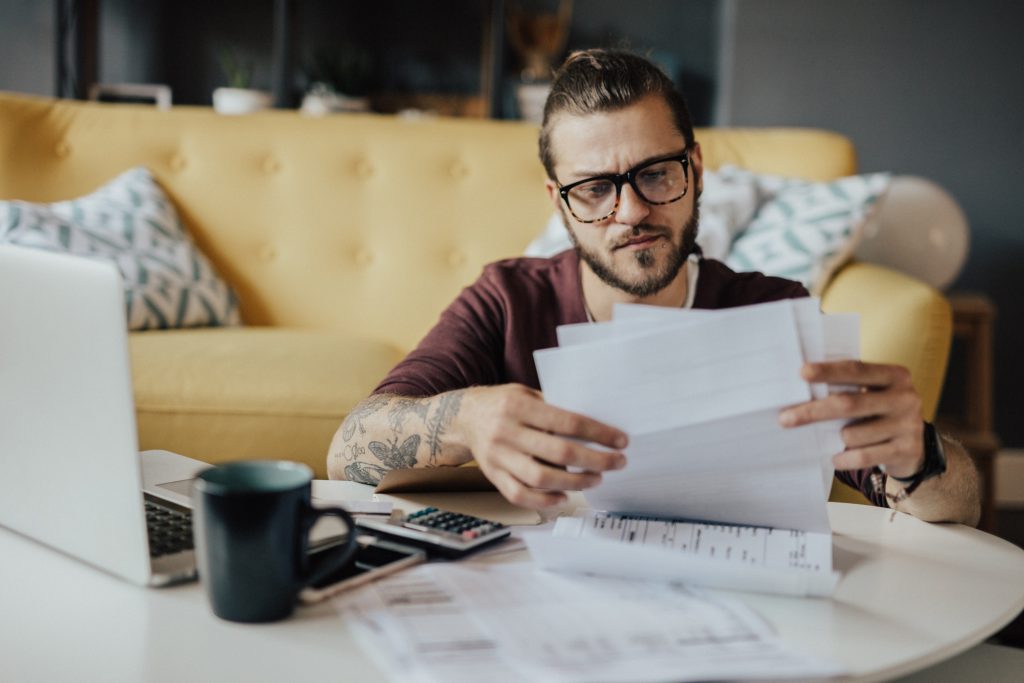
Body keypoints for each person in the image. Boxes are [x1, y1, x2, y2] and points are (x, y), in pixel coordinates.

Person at [327, 49, 980, 526]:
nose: (632, 210)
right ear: (560, 202)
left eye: (656, 174)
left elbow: (954, 506)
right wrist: (467, 419)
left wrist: (917, 452)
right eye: (595, 188)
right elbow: (348, 452)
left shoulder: (769, 311)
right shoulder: (507, 299)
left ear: (695, 170)